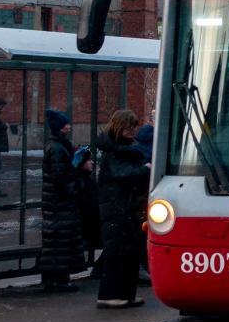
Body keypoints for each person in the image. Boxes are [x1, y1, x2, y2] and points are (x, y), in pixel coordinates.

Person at [96, 109, 150, 309]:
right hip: (117, 207)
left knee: (129, 252)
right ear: (120, 127)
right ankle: (109, 295)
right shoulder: (115, 152)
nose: (133, 130)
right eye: (130, 127)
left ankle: (125, 294)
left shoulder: (123, 149)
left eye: (134, 126)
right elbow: (124, 175)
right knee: (117, 252)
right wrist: (146, 170)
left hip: (125, 207)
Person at [36, 110, 85, 292]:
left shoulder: (56, 145)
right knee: (60, 241)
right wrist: (72, 190)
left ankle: (55, 279)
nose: (69, 126)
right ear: (59, 127)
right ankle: (58, 281)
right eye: (66, 124)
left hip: (56, 202)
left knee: (57, 241)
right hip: (59, 202)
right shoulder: (57, 147)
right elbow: (60, 176)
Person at [72, 146, 103, 279]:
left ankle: (100, 268)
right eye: (88, 160)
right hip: (84, 228)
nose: (92, 162)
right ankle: (100, 268)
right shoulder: (78, 182)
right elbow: (86, 209)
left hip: (89, 226)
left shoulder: (87, 180)